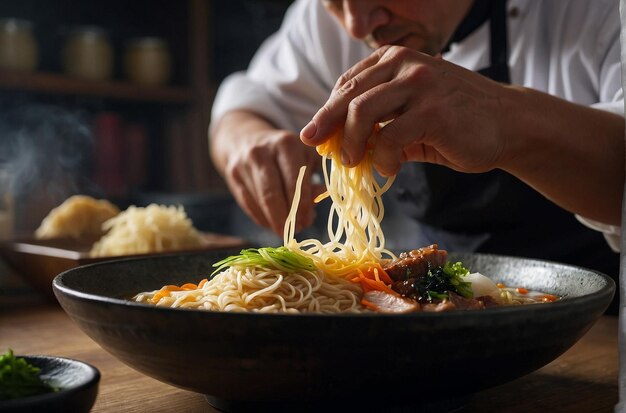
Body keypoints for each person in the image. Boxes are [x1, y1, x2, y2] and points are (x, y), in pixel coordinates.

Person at [209, 0, 623, 285]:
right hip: (437, 322)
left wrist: (503, 120)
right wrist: (245, 140)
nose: (357, 25)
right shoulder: (341, 17)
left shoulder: (596, 13)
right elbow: (249, 102)